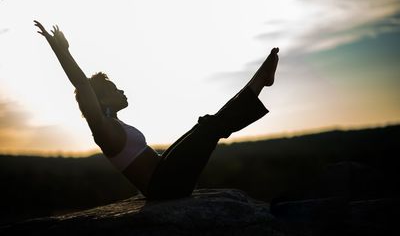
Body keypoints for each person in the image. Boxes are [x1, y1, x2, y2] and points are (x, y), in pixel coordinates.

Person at [34, 20, 279, 201]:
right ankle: (260, 81)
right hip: (164, 187)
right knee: (209, 127)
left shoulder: (115, 123)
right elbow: (82, 84)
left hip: (167, 177)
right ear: (100, 100)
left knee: (206, 125)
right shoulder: (102, 128)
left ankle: (258, 82)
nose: (121, 91)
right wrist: (61, 50)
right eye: (113, 89)